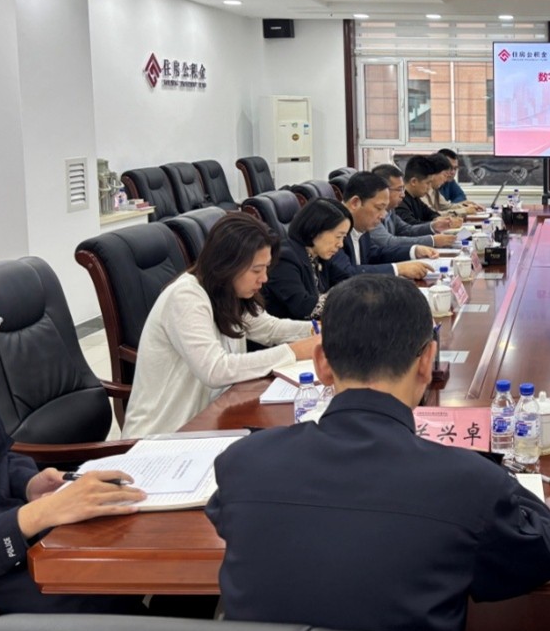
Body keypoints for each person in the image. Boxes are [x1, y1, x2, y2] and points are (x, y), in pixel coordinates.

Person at [207, 275, 550, 631]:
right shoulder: (469, 484)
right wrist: (496, 473)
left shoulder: (243, 463)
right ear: (427, 362)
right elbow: (542, 555)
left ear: (322, 363)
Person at [0, 288, 146, 614]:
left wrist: (28, 483)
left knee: (131, 546)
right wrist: (36, 515)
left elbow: (0, 453)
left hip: (21, 528)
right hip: (2, 566)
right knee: (107, 585)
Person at [124, 213, 319, 438]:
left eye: (266, 268)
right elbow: (215, 370)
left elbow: (268, 328)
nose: (264, 278)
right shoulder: (186, 297)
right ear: (227, 265)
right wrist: (292, 351)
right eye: (256, 270)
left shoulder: (228, 291)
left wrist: (314, 330)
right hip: (165, 435)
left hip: (212, 420)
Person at [330, 170, 434, 281]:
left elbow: (373, 254)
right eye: (379, 208)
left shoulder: (360, 224)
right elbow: (345, 272)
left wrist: (413, 251)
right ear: (355, 203)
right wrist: (398, 269)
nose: (383, 216)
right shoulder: (332, 227)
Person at [262, 197, 352, 321]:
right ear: (314, 230)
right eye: (338, 236)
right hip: (292, 331)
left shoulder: (318, 255)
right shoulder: (284, 258)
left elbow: (347, 281)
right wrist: (343, 296)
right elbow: (303, 308)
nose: (341, 244)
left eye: (343, 237)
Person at [369, 163, 460, 251]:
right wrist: (432, 241)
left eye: (403, 189)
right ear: (383, 190)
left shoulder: (390, 209)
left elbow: (406, 229)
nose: (403, 195)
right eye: (399, 189)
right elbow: (388, 242)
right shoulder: (372, 213)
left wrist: (433, 226)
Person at [396, 155, 454, 226]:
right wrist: (435, 224)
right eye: (427, 183)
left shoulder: (415, 198)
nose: (429, 188)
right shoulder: (400, 201)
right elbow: (411, 225)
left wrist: (438, 219)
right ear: (414, 182)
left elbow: (431, 214)